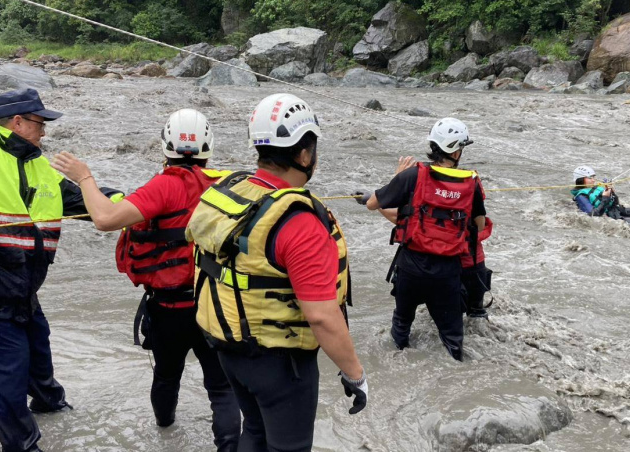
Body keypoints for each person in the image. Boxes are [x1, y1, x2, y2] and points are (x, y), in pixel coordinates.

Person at [0, 88, 123, 452]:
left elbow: (83, 201)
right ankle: (22, 445)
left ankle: (50, 403)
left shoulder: (39, 166)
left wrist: (134, 206)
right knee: (6, 368)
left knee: (37, 345)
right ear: (18, 122)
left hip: (18, 283)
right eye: (40, 123)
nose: (45, 131)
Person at [50, 109, 241, 451]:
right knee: (221, 387)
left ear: (166, 145)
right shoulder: (228, 185)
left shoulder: (163, 186)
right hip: (216, 303)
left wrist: (84, 178)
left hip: (169, 308)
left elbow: (105, 219)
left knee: (167, 375)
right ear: (208, 146)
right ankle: (229, 447)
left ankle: (166, 434)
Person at [185, 93, 368, 452]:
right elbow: (321, 316)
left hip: (230, 349)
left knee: (254, 431)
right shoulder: (298, 221)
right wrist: (355, 374)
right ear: (304, 155)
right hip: (281, 366)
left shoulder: (234, 191)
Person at [356, 117, 487, 361]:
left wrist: (396, 179)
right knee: (452, 341)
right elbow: (478, 226)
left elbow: (373, 203)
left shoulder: (412, 175)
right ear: (456, 151)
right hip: (447, 273)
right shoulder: (471, 183)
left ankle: (394, 367)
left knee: (401, 328)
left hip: (410, 268)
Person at [361, 156, 494, 320]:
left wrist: (394, 185)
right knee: (473, 317)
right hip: (472, 263)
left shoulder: (421, 181)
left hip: (442, 267)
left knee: (410, 319)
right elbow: (479, 225)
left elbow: (407, 220)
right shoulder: (470, 183)